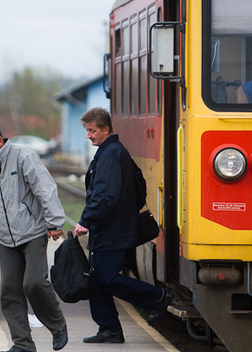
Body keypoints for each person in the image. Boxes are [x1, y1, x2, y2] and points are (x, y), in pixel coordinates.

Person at [74, 108, 173, 344]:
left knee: (105, 278)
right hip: (112, 226)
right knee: (96, 278)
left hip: (112, 228)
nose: (89, 135)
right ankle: (110, 329)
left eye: (92, 130)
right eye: (87, 130)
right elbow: (138, 183)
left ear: (106, 129)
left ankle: (158, 297)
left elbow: (105, 195)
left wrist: (86, 221)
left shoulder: (110, 154)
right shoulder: (114, 151)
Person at [0, 124, 68, 352]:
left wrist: (54, 222)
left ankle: (57, 325)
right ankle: (23, 344)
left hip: (33, 232)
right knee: (10, 291)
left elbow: (45, 189)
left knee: (34, 283)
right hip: (6, 238)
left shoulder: (24, 156)